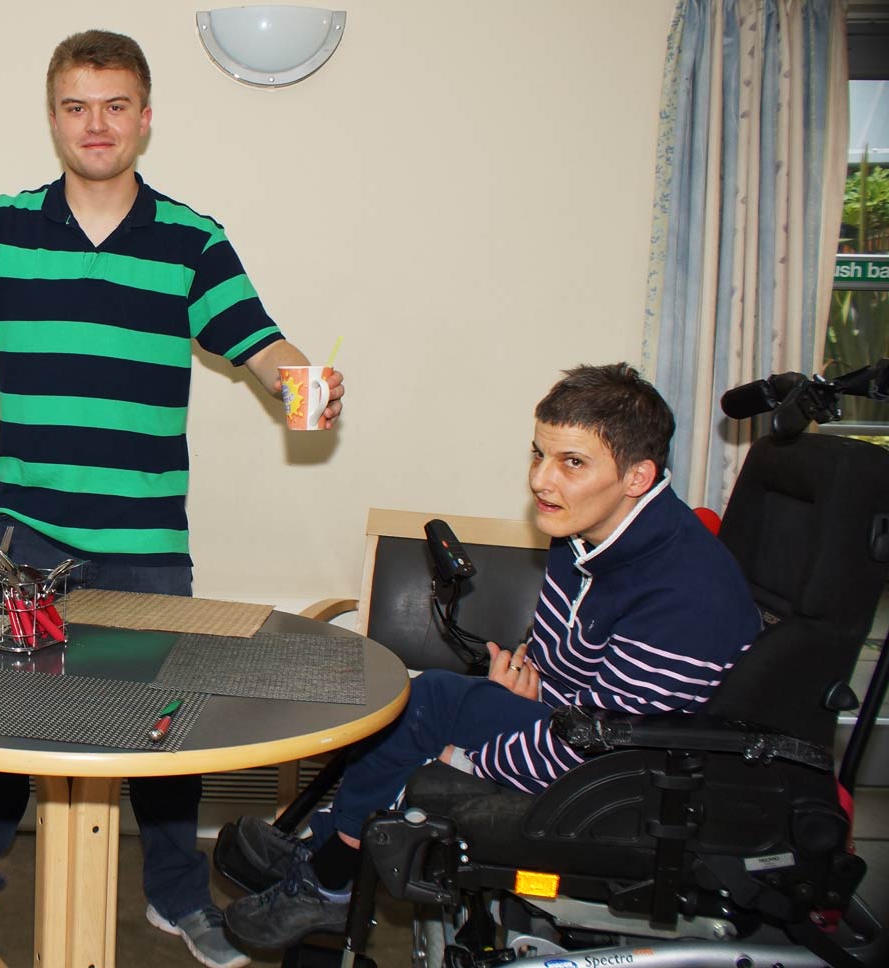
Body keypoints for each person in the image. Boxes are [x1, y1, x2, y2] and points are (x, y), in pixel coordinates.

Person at [0, 28, 344, 968]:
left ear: (144, 119)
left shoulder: (193, 238)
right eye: (76, 106)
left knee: (163, 731)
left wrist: (301, 378)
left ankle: (177, 899)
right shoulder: (5, 224)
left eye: (114, 106)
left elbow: (260, 342)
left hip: (148, 539)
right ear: (54, 117)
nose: (95, 124)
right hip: (24, 537)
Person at [220, 363, 762, 950]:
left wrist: (466, 758)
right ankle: (330, 846)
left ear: (637, 477)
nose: (541, 480)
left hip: (628, 779)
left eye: (571, 463)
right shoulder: (583, 533)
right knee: (420, 699)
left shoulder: (683, 594)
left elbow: (609, 745)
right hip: (582, 727)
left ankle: (330, 877)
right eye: (539, 455)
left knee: (429, 712)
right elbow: (565, 662)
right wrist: (532, 689)